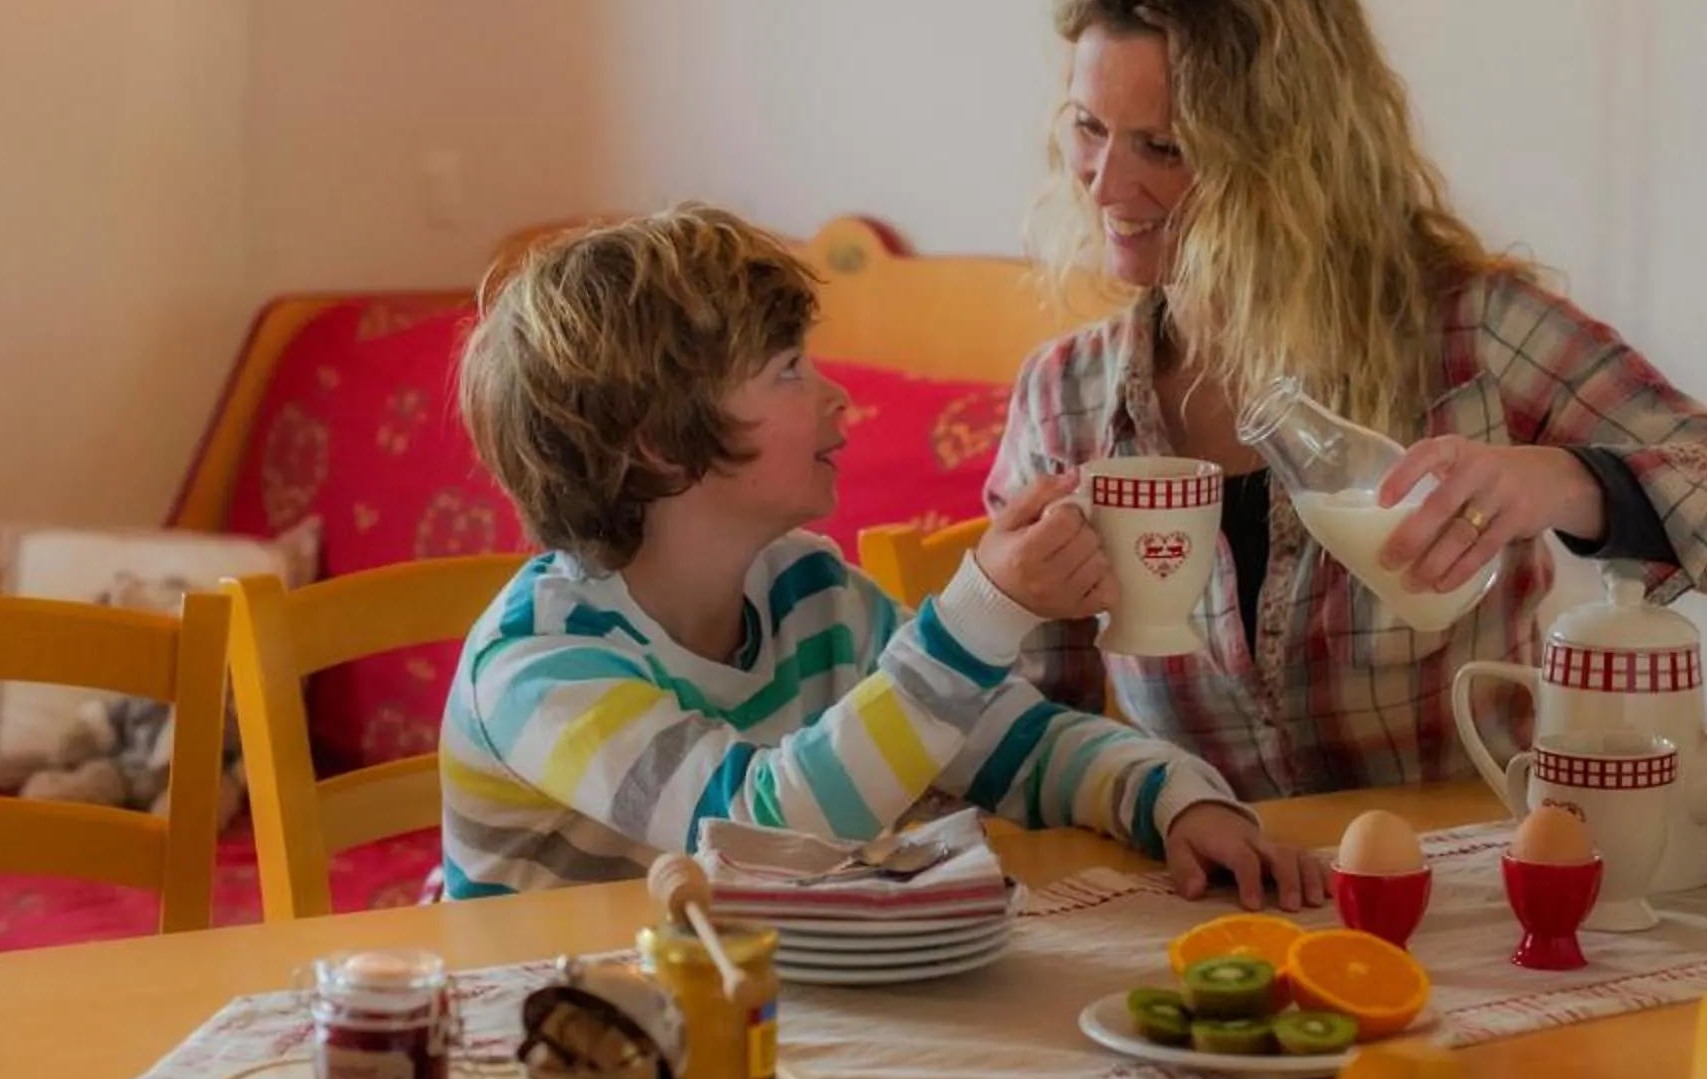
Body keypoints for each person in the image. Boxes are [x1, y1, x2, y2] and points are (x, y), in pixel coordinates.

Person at [993, 0, 1707, 800]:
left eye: (1163, 147)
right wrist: (1002, 602)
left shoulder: (1470, 336)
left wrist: (1569, 482)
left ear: (1287, 157)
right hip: (1216, 886)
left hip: (1478, 873)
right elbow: (1029, 734)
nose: (1105, 184)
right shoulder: (1066, 400)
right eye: (1088, 128)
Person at [440, 203, 1327, 906]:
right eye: (788, 370)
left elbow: (1014, 746)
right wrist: (983, 612)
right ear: (662, 447)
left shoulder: (809, 592)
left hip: (739, 1007)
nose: (836, 398)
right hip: (538, 1033)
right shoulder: (538, 665)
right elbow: (762, 835)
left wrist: (1178, 799)